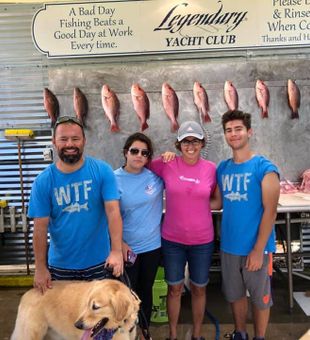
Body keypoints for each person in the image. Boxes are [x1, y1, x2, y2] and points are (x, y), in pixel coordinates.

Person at [28, 116, 123, 294]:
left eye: (75, 138)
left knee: (99, 319)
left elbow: (113, 212)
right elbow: (40, 228)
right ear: (54, 142)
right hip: (61, 267)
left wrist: (116, 251)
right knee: (65, 320)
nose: (70, 144)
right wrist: (40, 268)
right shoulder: (43, 182)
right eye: (64, 139)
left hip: (100, 264)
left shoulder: (102, 171)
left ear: (84, 141)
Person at [149, 121, 221, 340]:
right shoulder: (166, 164)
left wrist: (197, 205)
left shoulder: (211, 168)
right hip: (172, 241)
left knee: (199, 288)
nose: (191, 145)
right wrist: (164, 155)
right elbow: (140, 165)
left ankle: (197, 335)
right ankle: (173, 334)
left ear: (202, 143)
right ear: (178, 144)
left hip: (202, 241)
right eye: (186, 141)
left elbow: (217, 202)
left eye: (195, 141)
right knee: (174, 289)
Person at [217, 110, 280, 340]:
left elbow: (270, 212)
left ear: (249, 132)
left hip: (257, 248)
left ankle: (259, 337)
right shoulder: (223, 168)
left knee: (260, 297)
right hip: (229, 246)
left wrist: (258, 249)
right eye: (228, 130)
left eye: (238, 129)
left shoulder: (265, 168)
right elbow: (216, 201)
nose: (233, 134)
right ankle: (240, 333)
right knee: (235, 295)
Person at [114, 132, 164, 332]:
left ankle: (144, 332)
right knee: (126, 296)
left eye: (145, 153)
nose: (139, 155)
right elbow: (107, 216)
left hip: (152, 248)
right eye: (134, 151)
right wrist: (119, 245)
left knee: (146, 292)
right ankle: (125, 333)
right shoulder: (113, 178)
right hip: (126, 249)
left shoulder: (156, 177)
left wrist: (168, 156)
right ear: (126, 152)